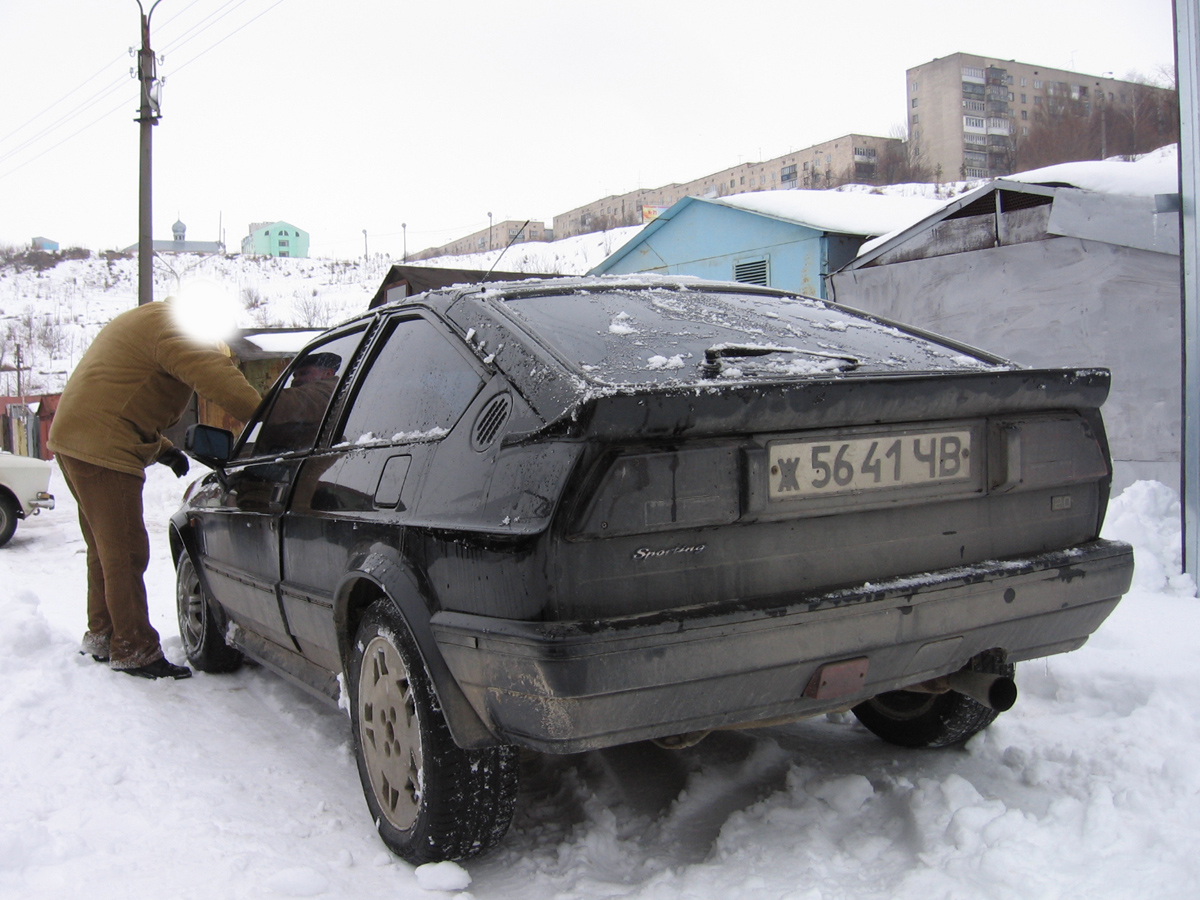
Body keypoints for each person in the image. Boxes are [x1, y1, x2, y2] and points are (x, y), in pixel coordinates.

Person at [48, 296, 262, 680]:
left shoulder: (154, 319)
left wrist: (164, 450)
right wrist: (269, 419)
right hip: (103, 447)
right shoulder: (180, 327)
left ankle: (103, 634)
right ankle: (134, 648)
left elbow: (121, 394)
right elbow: (222, 383)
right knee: (126, 551)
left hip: (76, 438)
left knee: (105, 549)